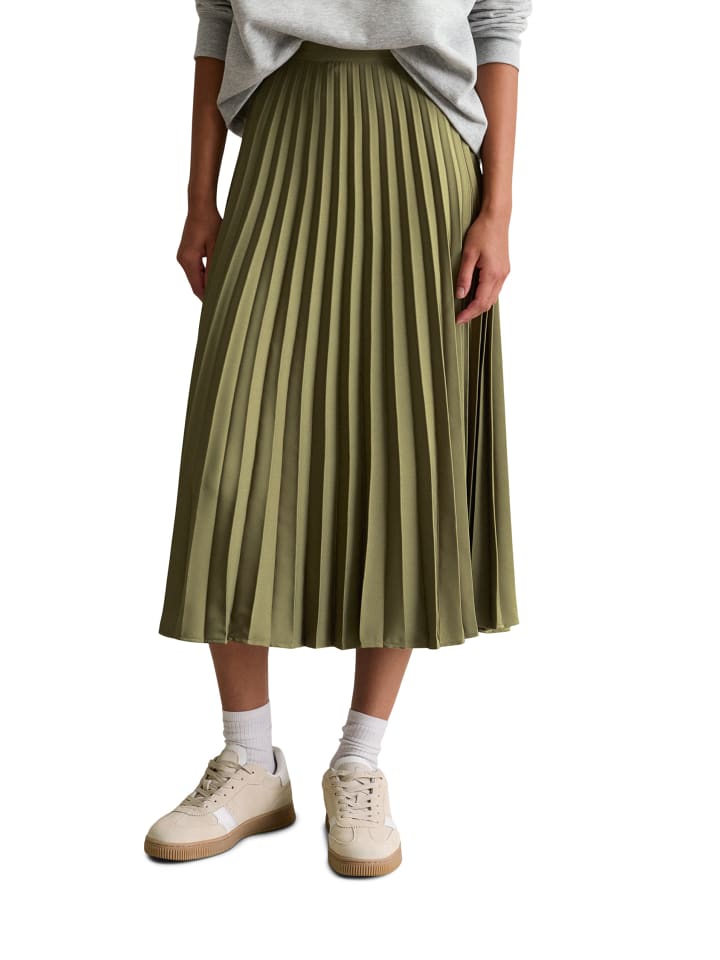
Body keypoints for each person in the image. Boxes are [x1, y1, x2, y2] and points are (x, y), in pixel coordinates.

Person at [144, 0, 532, 877]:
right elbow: (217, 20)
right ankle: (250, 759)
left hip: (424, 147)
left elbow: (497, 25)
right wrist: (200, 198)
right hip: (280, 141)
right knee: (234, 448)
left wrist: (498, 209)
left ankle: (359, 761)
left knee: (404, 448)